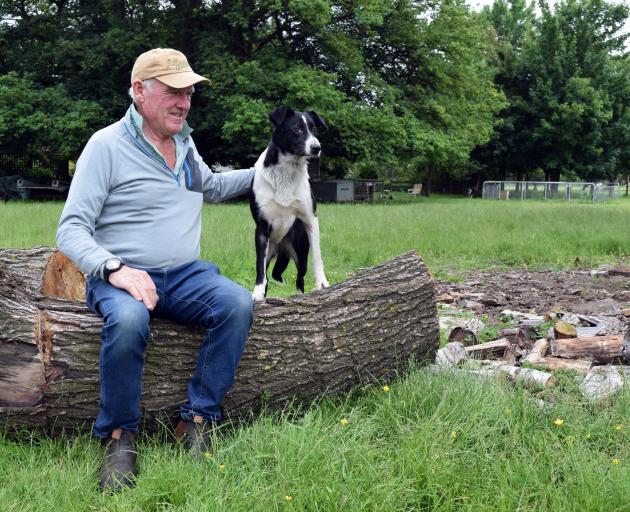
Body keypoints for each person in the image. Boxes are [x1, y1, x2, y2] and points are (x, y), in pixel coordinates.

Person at [56, 48, 255, 492]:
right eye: (172, 90)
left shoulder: (184, 144)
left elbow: (213, 186)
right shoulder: (106, 146)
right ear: (139, 91)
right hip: (121, 273)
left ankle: (198, 419)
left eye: (188, 92)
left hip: (184, 275)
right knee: (128, 320)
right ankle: (119, 436)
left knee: (236, 303)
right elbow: (71, 229)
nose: (183, 102)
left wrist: (264, 170)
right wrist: (115, 268)